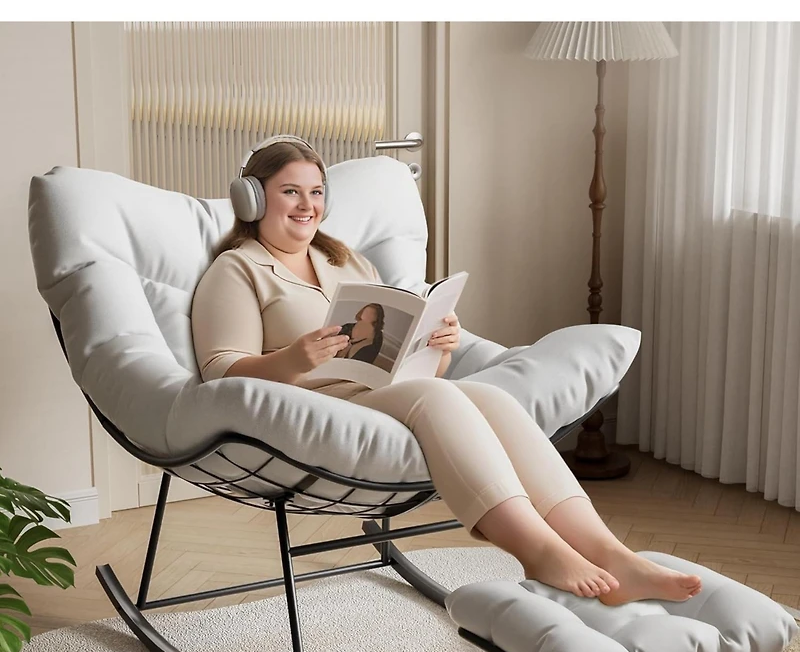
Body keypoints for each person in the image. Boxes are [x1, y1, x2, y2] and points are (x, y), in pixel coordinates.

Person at [191, 137, 702, 605]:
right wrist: (294, 359)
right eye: (291, 192)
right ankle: (538, 551)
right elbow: (220, 372)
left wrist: (438, 346)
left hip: (378, 392)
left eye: (317, 192)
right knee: (437, 398)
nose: (307, 205)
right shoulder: (237, 269)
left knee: (490, 397)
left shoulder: (346, 261)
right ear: (252, 199)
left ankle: (614, 555)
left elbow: (413, 369)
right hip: (309, 405)